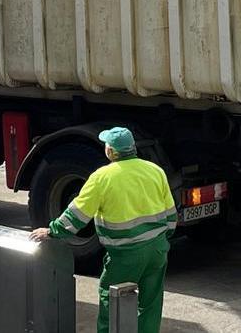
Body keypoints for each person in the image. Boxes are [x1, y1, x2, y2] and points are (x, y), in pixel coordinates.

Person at [30, 127, 176, 333]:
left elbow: (78, 214)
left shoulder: (102, 177)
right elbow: (171, 215)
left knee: (111, 298)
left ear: (111, 151)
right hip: (157, 249)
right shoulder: (155, 170)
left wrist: (52, 231)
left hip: (126, 253)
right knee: (150, 303)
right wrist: (161, 241)